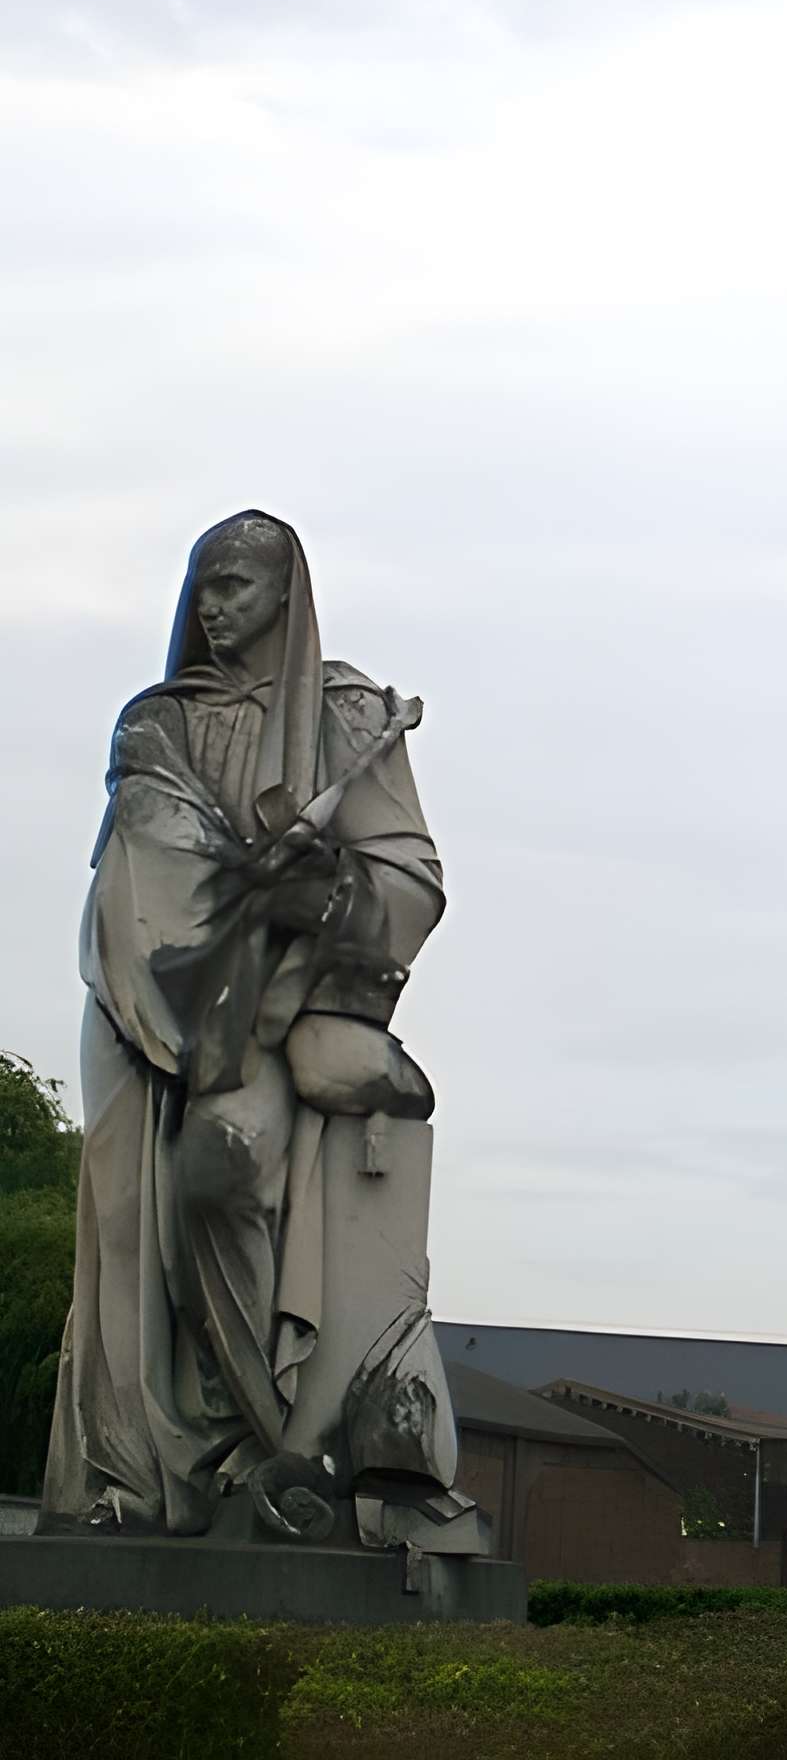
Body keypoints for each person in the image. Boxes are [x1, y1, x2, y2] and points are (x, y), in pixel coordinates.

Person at [43, 512, 447, 1539]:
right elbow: (153, 856)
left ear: (285, 594)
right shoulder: (158, 722)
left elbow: (409, 878)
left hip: (271, 1011)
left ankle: (259, 1441)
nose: (213, 609)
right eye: (202, 589)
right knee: (130, 1222)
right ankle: (146, 1476)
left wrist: (320, 892)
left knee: (220, 1167)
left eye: (233, 586)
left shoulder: (350, 721)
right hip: (156, 1006)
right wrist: (244, 889)